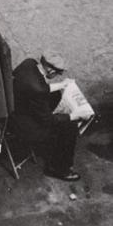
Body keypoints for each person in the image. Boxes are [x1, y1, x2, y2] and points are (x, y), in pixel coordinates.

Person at [12, 52, 81, 182]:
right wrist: (72, 116)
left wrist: (62, 85)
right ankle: (59, 168)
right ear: (49, 68)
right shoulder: (37, 89)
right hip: (23, 125)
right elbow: (47, 119)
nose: (58, 76)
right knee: (70, 126)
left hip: (16, 107)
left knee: (55, 95)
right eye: (58, 73)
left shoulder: (29, 63)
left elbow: (39, 88)